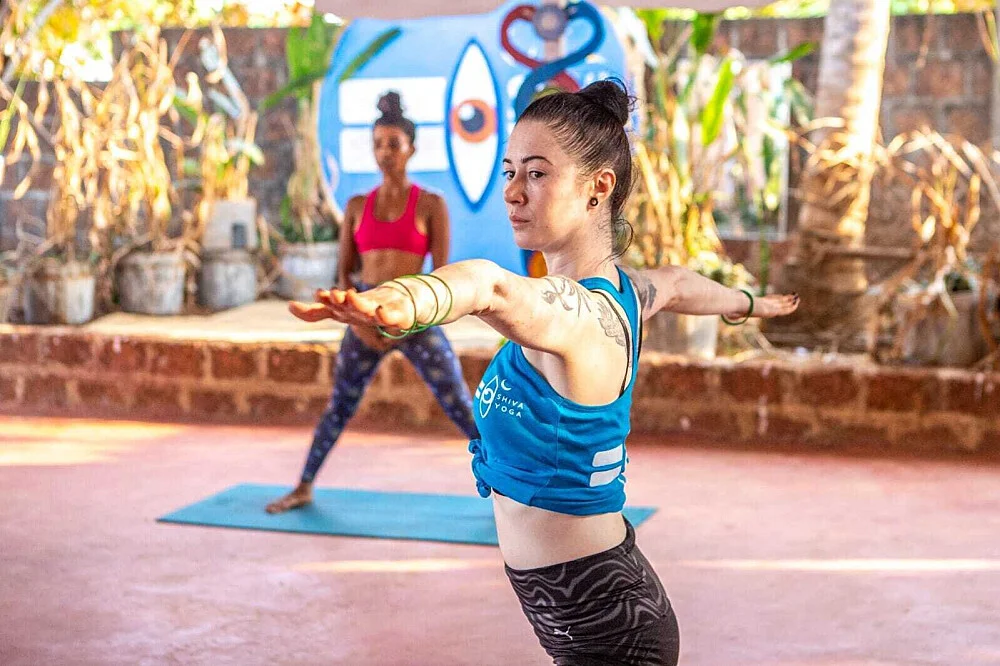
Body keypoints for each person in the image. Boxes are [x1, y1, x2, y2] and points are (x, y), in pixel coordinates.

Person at [289, 79, 798, 664]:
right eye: (509, 172)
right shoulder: (624, 292)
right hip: (584, 619)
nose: (512, 192)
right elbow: (678, 284)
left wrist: (406, 298)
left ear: (598, 187)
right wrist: (749, 303)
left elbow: (488, 286)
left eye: (536, 173)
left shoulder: (581, 315)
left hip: (612, 633)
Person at [266, 92, 480, 514]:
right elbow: (345, 274)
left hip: (415, 317)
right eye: (379, 144)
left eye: (394, 144)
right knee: (340, 405)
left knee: (460, 407)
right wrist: (360, 323)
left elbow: (441, 279)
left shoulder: (431, 205)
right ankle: (304, 486)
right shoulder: (357, 206)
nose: (386, 152)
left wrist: (409, 321)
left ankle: (515, 494)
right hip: (364, 319)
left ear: (411, 148)